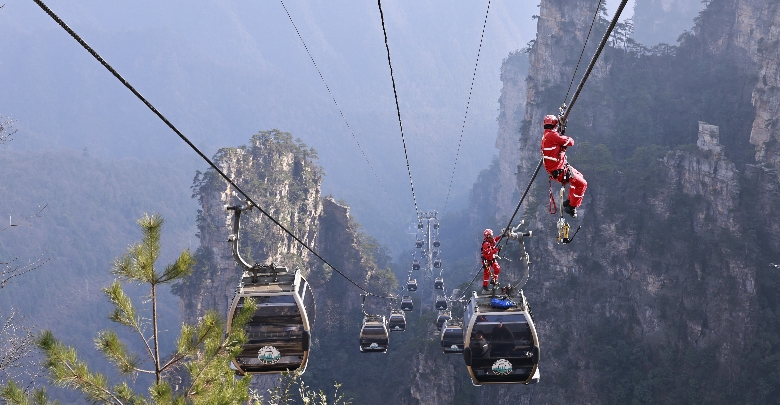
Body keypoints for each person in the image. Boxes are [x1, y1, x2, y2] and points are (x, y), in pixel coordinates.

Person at [541, 114, 588, 217]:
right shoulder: (553, 136)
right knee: (582, 184)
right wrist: (563, 135)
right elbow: (570, 142)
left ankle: (569, 201)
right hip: (561, 171)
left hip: (561, 168)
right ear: (554, 125)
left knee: (580, 176)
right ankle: (572, 207)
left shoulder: (546, 136)